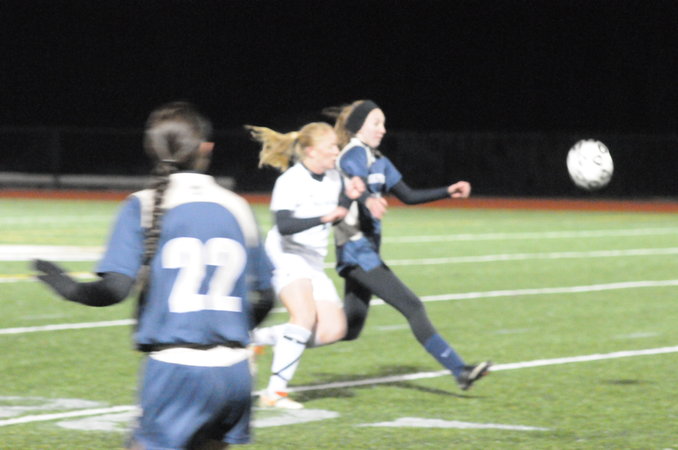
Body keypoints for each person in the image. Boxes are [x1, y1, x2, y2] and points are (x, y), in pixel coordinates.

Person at [33, 101, 275, 449]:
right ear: (206, 148)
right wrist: (227, 330)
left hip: (176, 371)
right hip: (235, 373)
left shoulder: (143, 205)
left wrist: (68, 287)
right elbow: (266, 296)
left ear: (152, 149)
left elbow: (115, 289)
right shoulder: (237, 206)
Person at [325, 99, 491, 391]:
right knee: (413, 307)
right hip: (355, 251)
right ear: (358, 127)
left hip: (366, 253)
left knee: (349, 329)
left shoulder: (379, 160)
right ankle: (460, 370)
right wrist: (368, 200)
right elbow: (354, 181)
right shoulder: (353, 153)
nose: (383, 129)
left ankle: (274, 338)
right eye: (376, 123)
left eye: (384, 123)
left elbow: (408, 195)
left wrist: (448, 191)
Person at [246, 122, 363, 409]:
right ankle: (275, 393)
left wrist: (351, 195)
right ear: (311, 151)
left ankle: (256, 338)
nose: (336, 151)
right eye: (331, 147)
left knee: (334, 330)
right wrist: (324, 217)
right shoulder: (291, 180)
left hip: (312, 259)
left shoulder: (335, 176)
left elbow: (340, 203)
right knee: (303, 317)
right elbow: (284, 225)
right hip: (285, 254)